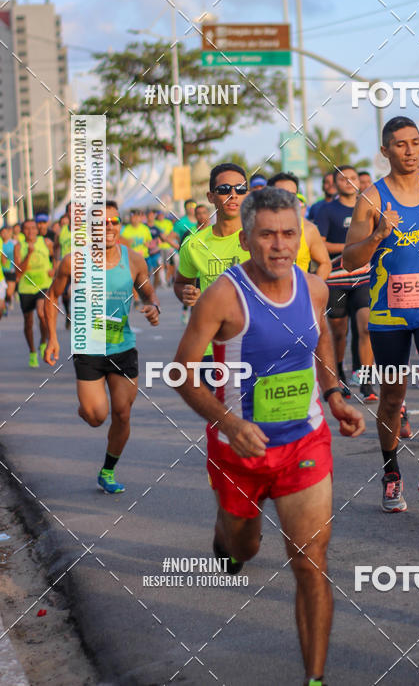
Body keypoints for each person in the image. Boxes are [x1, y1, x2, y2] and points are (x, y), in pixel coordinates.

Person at [173, 186, 365, 686]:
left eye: (288, 234)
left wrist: (333, 394)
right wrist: (230, 423)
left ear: (299, 236)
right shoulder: (223, 297)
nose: (279, 245)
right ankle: (228, 537)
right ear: (246, 240)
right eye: (266, 235)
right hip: (240, 450)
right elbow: (182, 372)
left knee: (310, 561)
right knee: (245, 549)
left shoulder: (314, 288)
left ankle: (315, 679)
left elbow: (320, 340)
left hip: (304, 442)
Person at [343, 116, 419, 513]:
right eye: (400, 144)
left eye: (415, 142)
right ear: (385, 151)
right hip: (389, 313)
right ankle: (391, 473)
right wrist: (378, 235)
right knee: (392, 397)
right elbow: (349, 260)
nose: (410, 150)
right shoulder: (371, 200)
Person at [44, 201, 160, 494]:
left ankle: (107, 471)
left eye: (114, 222)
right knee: (96, 417)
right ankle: (86, 407)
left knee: (122, 413)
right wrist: (52, 338)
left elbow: (148, 293)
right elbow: (52, 296)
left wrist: (153, 307)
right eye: (101, 223)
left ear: (119, 225)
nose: (108, 227)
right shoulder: (73, 261)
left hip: (123, 346)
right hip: (89, 347)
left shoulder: (134, 260)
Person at [315, 166, 378, 404]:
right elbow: (320, 244)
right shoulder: (326, 210)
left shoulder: (368, 206)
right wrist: (351, 248)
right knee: (339, 333)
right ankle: (339, 374)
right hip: (336, 279)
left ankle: (366, 382)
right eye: (343, 179)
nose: (349, 182)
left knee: (366, 328)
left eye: (353, 178)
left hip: (364, 277)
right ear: (335, 183)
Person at [174, 163, 250, 348]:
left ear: (247, 195)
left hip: (254, 344)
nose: (233, 195)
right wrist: (186, 294)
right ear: (211, 197)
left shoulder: (261, 238)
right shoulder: (193, 243)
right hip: (212, 346)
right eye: (224, 189)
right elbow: (181, 283)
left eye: (240, 189)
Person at [267, 172, 331, 280]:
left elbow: (325, 263)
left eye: (292, 195)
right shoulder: (256, 227)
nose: (287, 199)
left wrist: (312, 287)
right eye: (281, 194)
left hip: (298, 290)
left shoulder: (308, 229)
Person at [14, 217, 54, 367]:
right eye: (27, 228)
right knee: (28, 322)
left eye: (33, 228)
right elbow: (19, 272)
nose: (30, 231)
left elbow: (55, 256)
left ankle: (43, 341)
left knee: (42, 313)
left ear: (37, 230)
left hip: (44, 285)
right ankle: (32, 352)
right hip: (26, 287)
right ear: (22, 231)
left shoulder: (46, 242)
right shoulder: (19, 246)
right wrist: (29, 254)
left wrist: (54, 269)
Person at [1, 225, 16, 309]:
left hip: (11, 270)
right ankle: (4, 306)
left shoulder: (13, 244)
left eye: (5, 232)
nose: (3, 234)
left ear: (8, 233)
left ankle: (8, 301)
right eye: (2, 233)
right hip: (2, 271)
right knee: (2, 293)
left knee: (9, 293)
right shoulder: (0, 243)